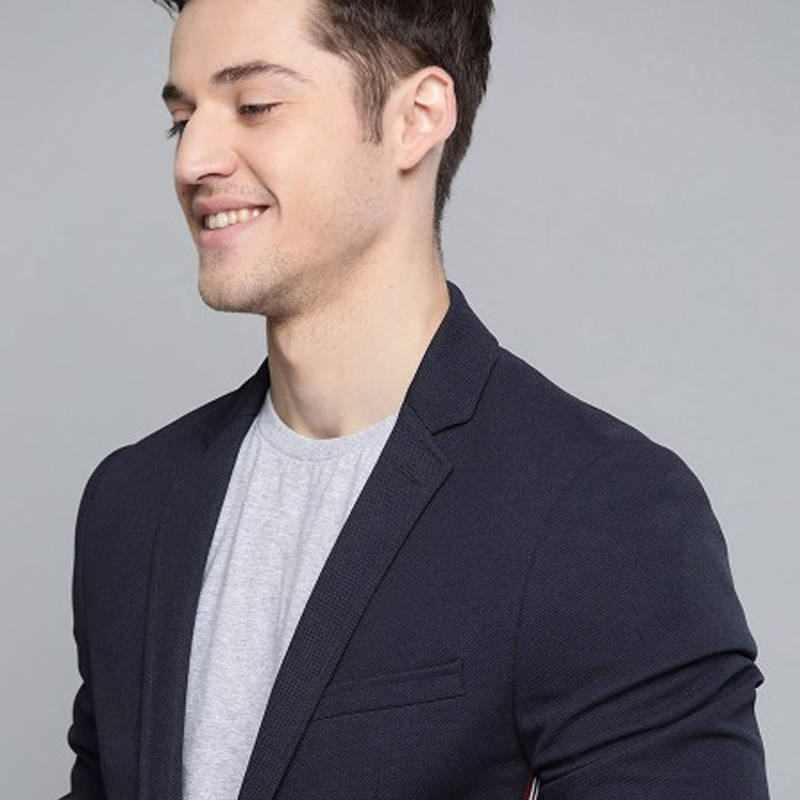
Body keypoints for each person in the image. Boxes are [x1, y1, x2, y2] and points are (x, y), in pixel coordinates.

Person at [62, 0, 770, 798]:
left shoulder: (603, 513)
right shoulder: (132, 504)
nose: (193, 159)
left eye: (255, 105)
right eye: (181, 119)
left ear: (417, 117)